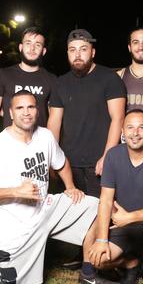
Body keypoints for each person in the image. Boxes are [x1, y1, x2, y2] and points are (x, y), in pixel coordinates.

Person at [0, 91, 105, 284]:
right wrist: (17, 191)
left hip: (45, 210)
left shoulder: (45, 136)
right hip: (16, 227)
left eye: (31, 107)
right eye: (20, 108)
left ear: (38, 111)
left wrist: (70, 186)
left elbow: (61, 162)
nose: (26, 113)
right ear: (10, 113)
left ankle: (88, 273)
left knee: (97, 206)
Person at [86, 109, 143, 284]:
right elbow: (106, 200)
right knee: (98, 259)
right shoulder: (113, 155)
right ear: (122, 132)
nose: (135, 133)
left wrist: (129, 217)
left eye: (141, 127)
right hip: (123, 226)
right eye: (130, 127)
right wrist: (102, 240)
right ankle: (132, 262)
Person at [48, 29, 126, 198]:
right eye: (72, 49)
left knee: (102, 215)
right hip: (68, 163)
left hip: (99, 162)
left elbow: (118, 118)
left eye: (83, 49)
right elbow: (54, 122)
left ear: (93, 52)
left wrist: (108, 156)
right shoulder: (60, 83)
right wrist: (52, 158)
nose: (77, 54)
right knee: (72, 215)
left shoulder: (110, 78)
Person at [0, 26, 57, 137]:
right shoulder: (4, 74)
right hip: (10, 143)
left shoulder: (51, 79)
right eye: (28, 43)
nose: (32, 48)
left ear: (43, 51)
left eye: (37, 45)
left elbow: (54, 117)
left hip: (39, 144)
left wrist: (50, 144)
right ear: (21, 47)